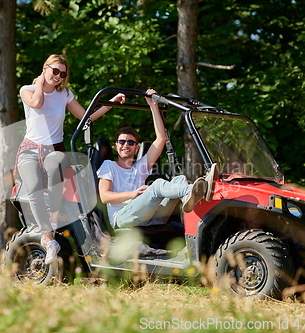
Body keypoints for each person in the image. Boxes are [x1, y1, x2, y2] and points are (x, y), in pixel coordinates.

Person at [15, 54, 125, 265]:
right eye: (54, 71)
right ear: (44, 67)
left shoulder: (64, 94)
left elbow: (86, 117)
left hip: (54, 149)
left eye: (62, 74)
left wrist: (110, 104)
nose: (58, 76)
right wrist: (39, 82)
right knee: (34, 188)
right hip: (29, 149)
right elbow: (37, 103)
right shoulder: (27, 90)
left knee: (55, 167)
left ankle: (52, 227)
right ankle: (49, 240)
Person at [97, 89, 218, 229]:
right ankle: (196, 191)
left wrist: (153, 106)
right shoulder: (109, 165)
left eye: (130, 142)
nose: (126, 145)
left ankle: (197, 213)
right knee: (157, 185)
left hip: (151, 217)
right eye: (122, 142)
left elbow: (161, 139)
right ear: (116, 145)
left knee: (180, 179)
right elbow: (105, 197)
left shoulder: (140, 167)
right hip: (122, 218)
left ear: (136, 148)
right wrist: (133, 194)